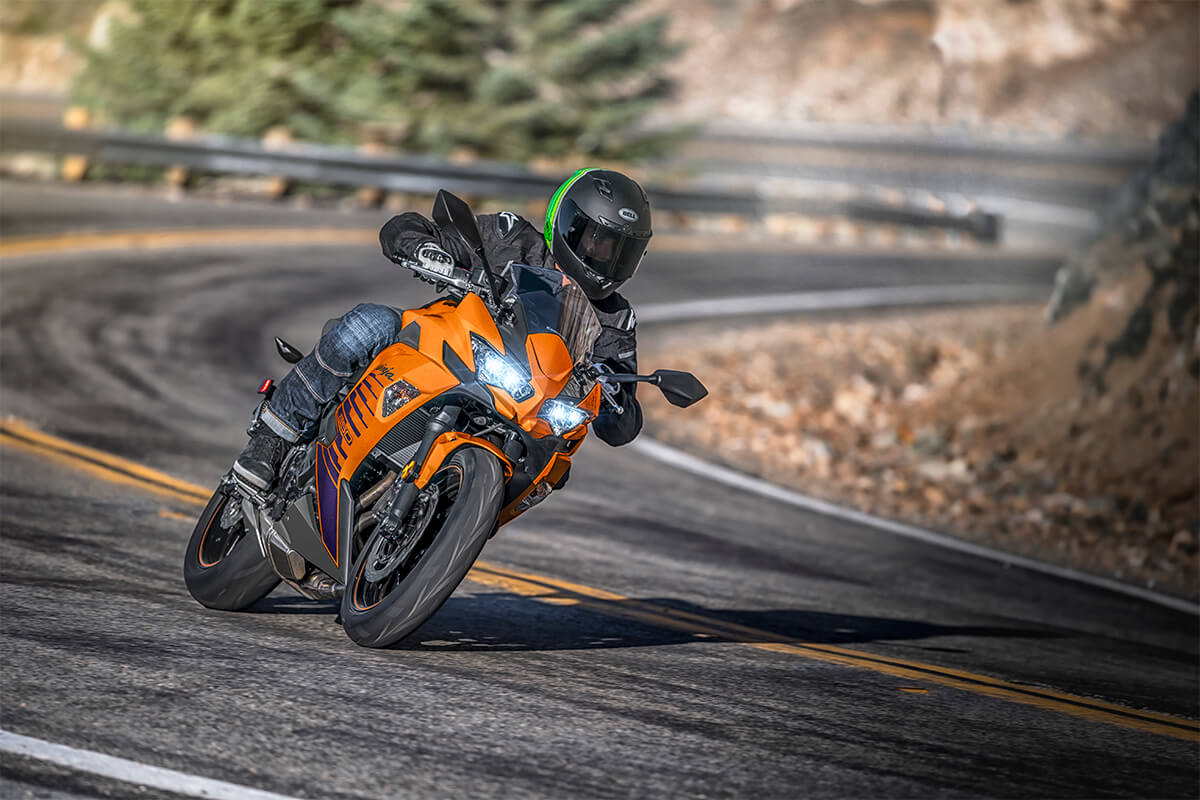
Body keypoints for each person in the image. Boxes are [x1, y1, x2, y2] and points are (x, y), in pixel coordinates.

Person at [233, 168, 653, 490]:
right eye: (600, 242)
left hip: (523, 413)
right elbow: (405, 228)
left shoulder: (615, 319)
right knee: (368, 324)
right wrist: (426, 249)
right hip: (442, 348)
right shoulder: (513, 238)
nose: (607, 260)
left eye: (622, 252)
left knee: (549, 465)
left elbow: (621, 422)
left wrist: (615, 398)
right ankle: (271, 440)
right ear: (567, 225)